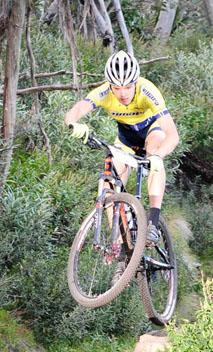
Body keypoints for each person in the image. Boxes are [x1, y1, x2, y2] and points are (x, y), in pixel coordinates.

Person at [64, 50, 179, 245]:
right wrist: (74, 124)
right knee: (108, 182)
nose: (122, 93)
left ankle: (152, 222)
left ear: (136, 82)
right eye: (116, 88)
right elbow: (76, 110)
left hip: (152, 132)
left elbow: (172, 135)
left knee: (154, 150)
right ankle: (120, 242)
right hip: (125, 140)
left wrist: (158, 156)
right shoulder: (104, 92)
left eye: (127, 87)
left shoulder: (147, 90)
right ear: (110, 85)